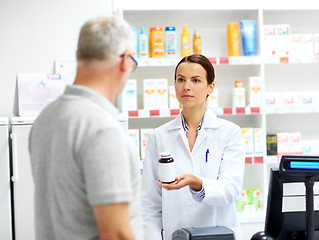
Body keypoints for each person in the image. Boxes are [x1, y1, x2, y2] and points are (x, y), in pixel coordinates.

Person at [29, 16, 143, 240]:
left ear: (78, 57)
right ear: (125, 61)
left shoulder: (46, 118)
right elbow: (116, 234)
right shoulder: (102, 129)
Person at [141, 54, 245, 240]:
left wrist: (196, 183)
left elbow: (230, 191)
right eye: (180, 79)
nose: (186, 86)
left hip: (217, 233)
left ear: (210, 87)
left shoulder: (229, 132)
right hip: (175, 234)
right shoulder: (159, 136)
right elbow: (150, 203)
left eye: (196, 80)